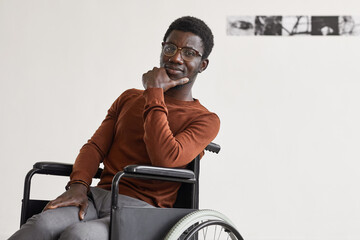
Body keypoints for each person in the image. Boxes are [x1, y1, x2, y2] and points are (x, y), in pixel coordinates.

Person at [9, 16, 220, 240]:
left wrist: (154, 93)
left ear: (202, 64)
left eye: (188, 53)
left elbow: (165, 158)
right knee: (41, 225)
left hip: (143, 212)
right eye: (170, 48)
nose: (176, 58)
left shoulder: (205, 119)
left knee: (80, 236)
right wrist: (78, 185)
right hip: (98, 196)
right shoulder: (129, 98)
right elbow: (95, 147)